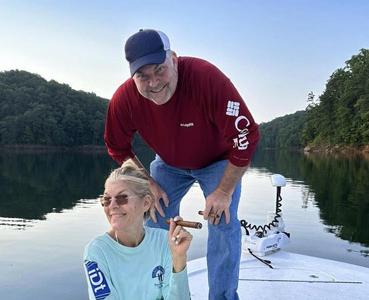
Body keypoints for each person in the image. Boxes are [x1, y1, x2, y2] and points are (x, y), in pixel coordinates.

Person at [104, 29, 259, 300]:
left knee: (223, 223)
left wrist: (223, 192)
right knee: (152, 217)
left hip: (218, 160)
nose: (153, 83)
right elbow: (118, 147)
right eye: (143, 76)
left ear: (174, 59)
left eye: (160, 70)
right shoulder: (125, 99)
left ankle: (222, 297)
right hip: (168, 163)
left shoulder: (206, 78)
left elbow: (245, 136)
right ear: (132, 76)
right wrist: (149, 182)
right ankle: (155, 294)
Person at [83, 159, 193, 300]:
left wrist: (179, 258)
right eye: (106, 200)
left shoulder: (165, 241)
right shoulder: (97, 251)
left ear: (146, 203)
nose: (112, 206)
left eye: (122, 198)